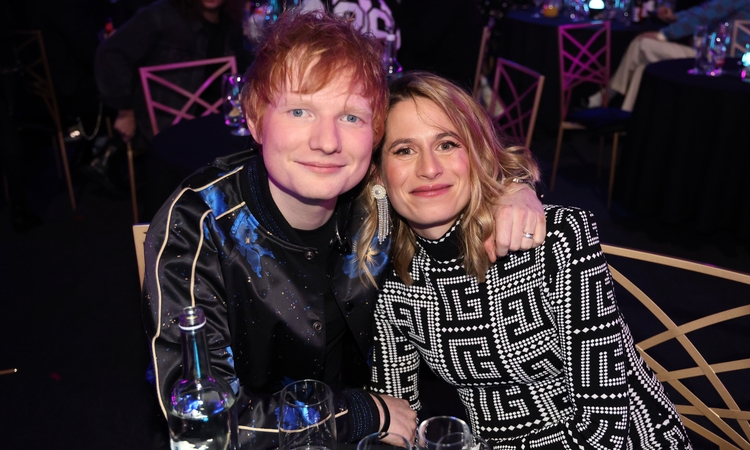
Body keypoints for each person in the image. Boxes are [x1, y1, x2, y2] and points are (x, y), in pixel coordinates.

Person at [142, 10, 546, 449]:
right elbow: (204, 422)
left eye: (351, 117)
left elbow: (452, 168)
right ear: (255, 118)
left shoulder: (375, 197)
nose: (328, 141)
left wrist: (510, 188)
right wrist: (357, 413)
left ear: (373, 134)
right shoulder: (199, 223)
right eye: (300, 111)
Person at [358, 72, 692, 449]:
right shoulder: (392, 279)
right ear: (379, 174)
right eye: (404, 150)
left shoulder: (553, 239)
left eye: (448, 144)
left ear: (476, 153)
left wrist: (516, 185)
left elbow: (605, 426)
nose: (429, 168)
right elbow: (395, 414)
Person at [95, 0, 247, 146]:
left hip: (219, 123)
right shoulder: (161, 16)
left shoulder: (231, 21)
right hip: (166, 126)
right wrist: (125, 110)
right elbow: (111, 53)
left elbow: (240, 75)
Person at [588, 0, 750, 111]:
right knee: (643, 67)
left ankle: (605, 96)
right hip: (708, 56)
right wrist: (675, 17)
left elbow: (704, 17)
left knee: (642, 44)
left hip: (721, 63)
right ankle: (627, 118)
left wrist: (664, 35)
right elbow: (701, 11)